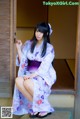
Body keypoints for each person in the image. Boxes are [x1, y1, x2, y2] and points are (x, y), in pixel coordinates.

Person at [12, 22, 56, 118]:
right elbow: (23, 61)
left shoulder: (49, 48)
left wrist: (32, 75)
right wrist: (18, 49)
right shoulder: (28, 44)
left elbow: (45, 66)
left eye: (41, 32)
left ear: (46, 34)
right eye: (37, 31)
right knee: (18, 80)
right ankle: (39, 107)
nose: (38, 34)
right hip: (29, 72)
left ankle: (42, 107)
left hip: (42, 74)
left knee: (27, 83)